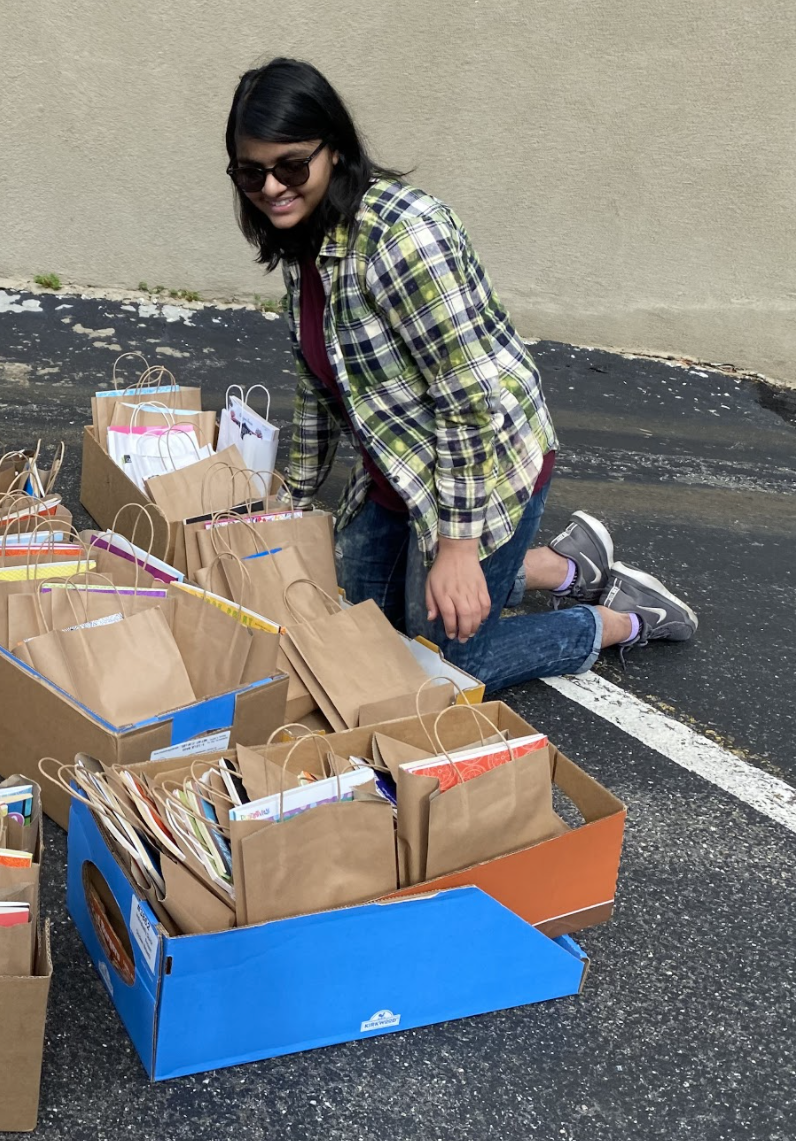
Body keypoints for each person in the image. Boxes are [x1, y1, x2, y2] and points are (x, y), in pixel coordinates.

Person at [225, 58, 697, 693]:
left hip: (488, 472)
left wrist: (457, 552)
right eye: (251, 172)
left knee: (443, 673)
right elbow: (318, 384)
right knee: (368, 638)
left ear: (333, 151)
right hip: (399, 476)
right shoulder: (304, 242)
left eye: (290, 166)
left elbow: (471, 403)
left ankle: (619, 619)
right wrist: (293, 506)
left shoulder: (404, 236)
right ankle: (559, 566)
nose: (272, 187)